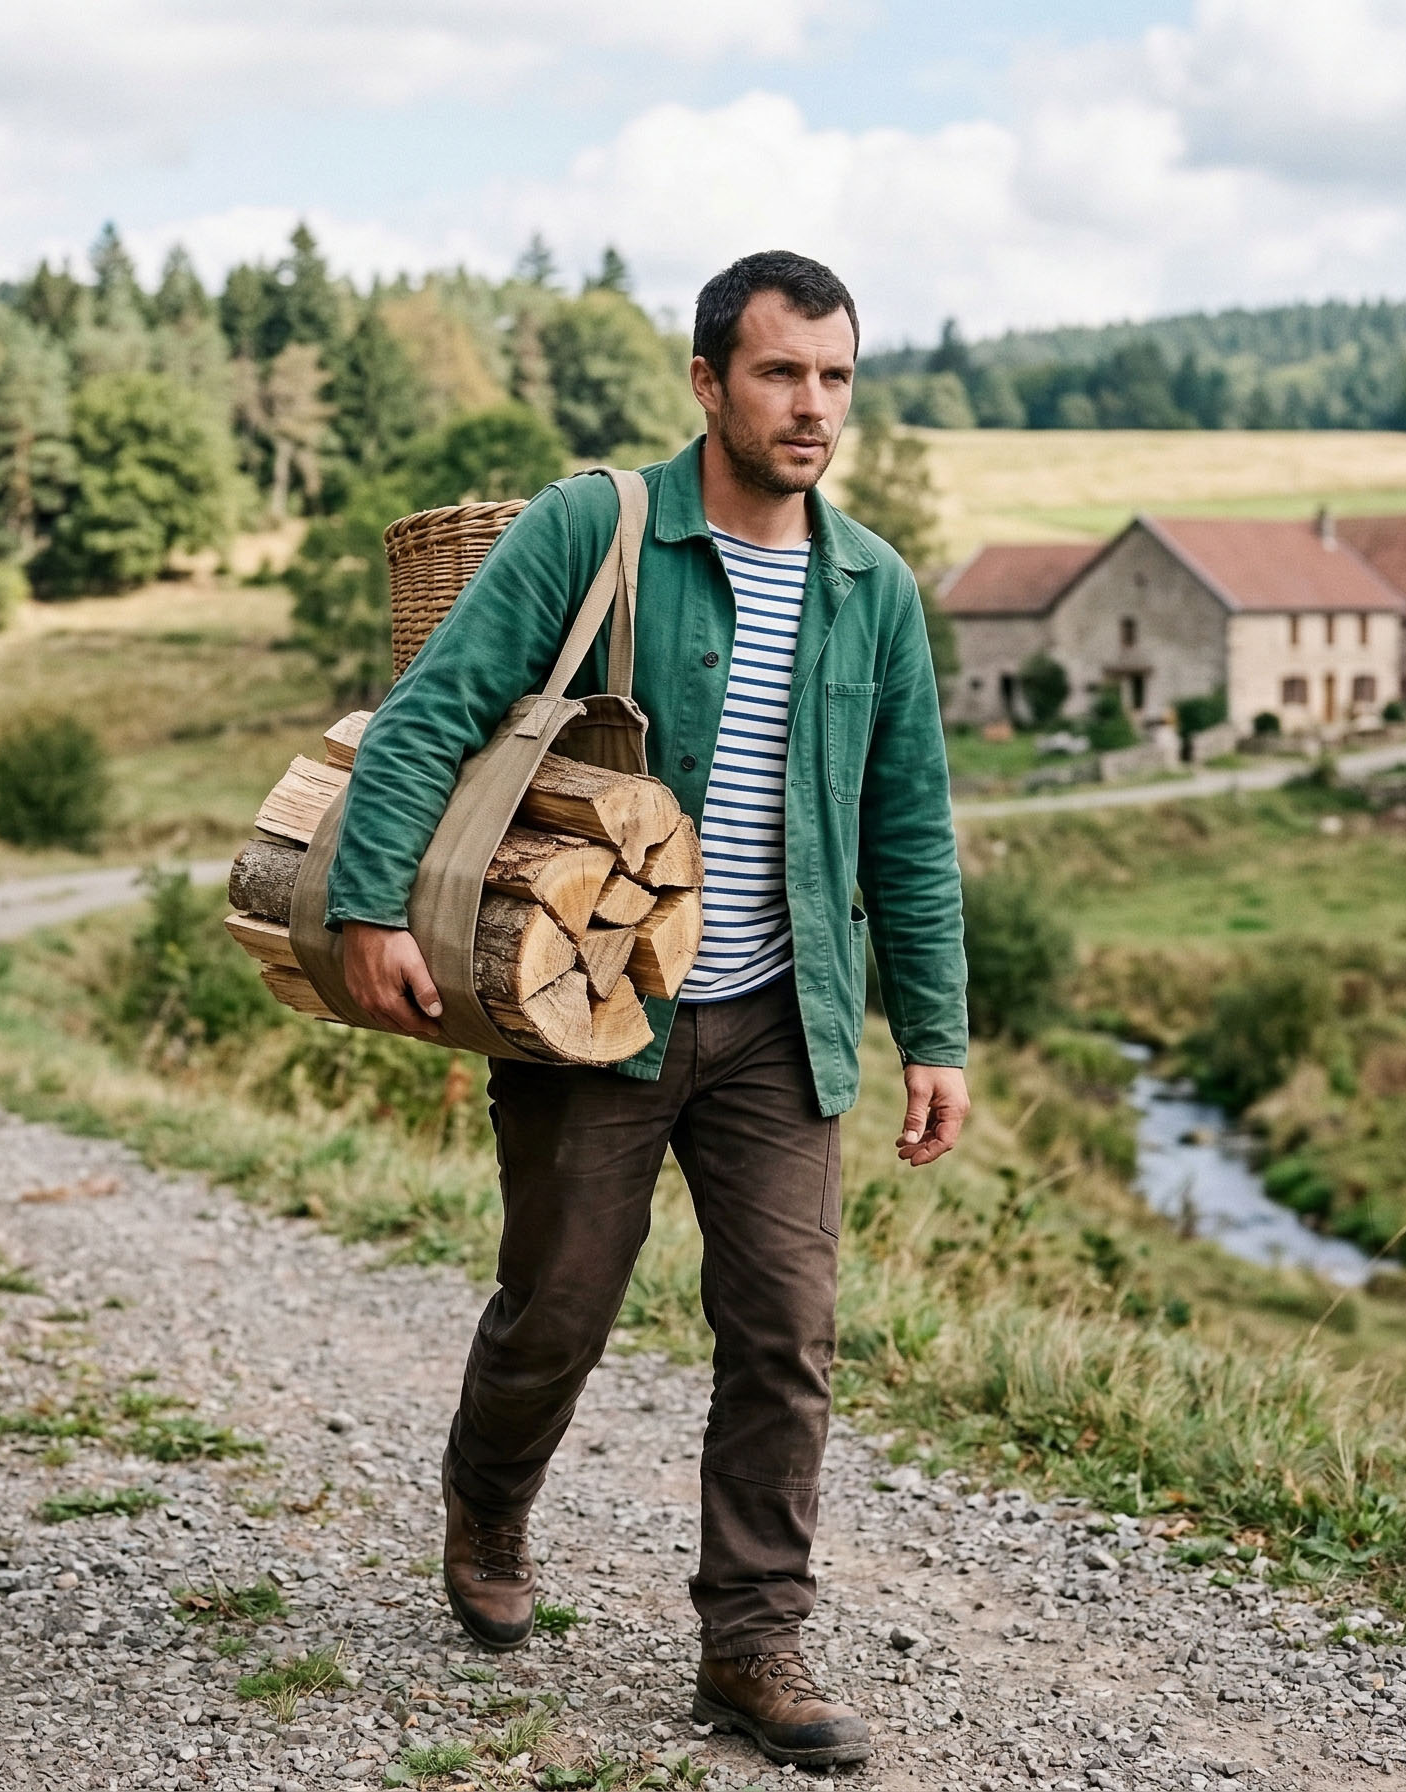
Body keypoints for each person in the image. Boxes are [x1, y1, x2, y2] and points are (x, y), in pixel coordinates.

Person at [324, 250, 969, 1770]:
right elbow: (441, 712)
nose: (811, 406)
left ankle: (752, 1643)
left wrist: (932, 1031)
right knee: (557, 1307)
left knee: (788, 1337)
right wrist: (365, 905)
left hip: (779, 1022)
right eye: (779, 373)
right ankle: (487, 1497)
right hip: (591, 1002)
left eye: (835, 377)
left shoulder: (872, 589)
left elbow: (910, 827)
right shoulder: (595, 528)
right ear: (707, 382)